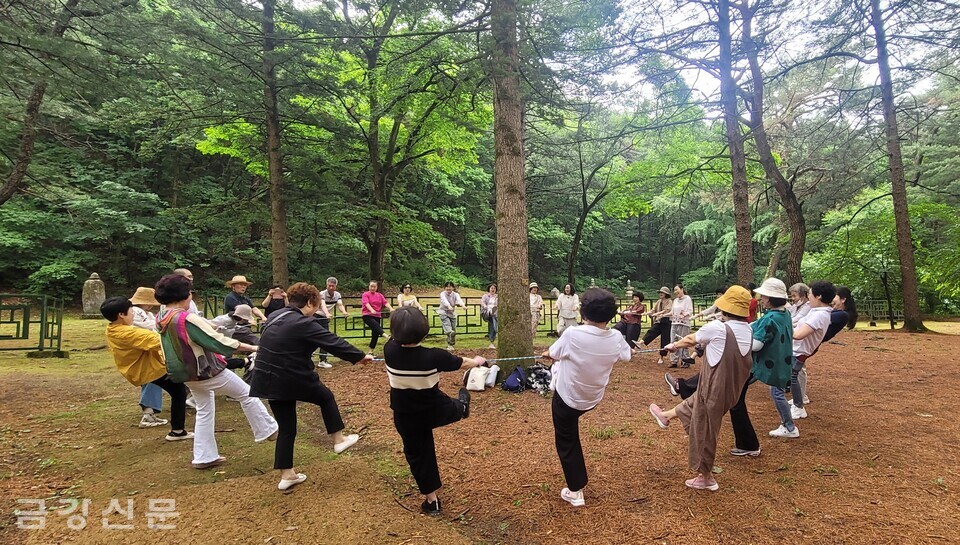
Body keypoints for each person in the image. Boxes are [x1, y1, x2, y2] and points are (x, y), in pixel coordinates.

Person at [249, 282, 374, 491]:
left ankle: (287, 475)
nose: (317, 309)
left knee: (287, 427)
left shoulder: (275, 316)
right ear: (309, 302)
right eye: (316, 305)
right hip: (289, 376)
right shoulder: (303, 323)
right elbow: (332, 341)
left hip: (266, 378)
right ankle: (339, 439)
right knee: (325, 397)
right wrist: (360, 356)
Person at [154, 274, 278, 470]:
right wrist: (254, 348)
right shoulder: (186, 318)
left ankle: (204, 456)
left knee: (204, 409)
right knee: (246, 393)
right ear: (185, 295)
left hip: (184, 373)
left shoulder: (162, 317)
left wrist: (217, 325)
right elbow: (217, 342)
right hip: (205, 370)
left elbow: (201, 330)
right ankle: (268, 430)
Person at [648, 286, 754, 491]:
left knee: (704, 427)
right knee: (694, 403)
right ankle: (666, 416)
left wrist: (673, 345)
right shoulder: (748, 330)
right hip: (732, 389)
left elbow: (690, 340)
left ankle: (706, 477)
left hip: (715, 387)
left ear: (724, 307)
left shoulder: (718, 327)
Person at [384, 306, 486, 515]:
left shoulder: (389, 350)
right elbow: (462, 363)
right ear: (424, 330)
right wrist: (477, 362)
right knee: (453, 407)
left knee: (418, 455)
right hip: (434, 409)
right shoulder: (435, 356)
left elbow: (395, 341)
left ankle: (432, 500)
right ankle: (462, 408)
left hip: (405, 414)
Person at [541, 288, 632, 507]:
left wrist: (549, 355)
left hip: (568, 399)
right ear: (611, 315)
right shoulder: (617, 337)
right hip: (591, 398)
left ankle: (575, 491)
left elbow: (553, 353)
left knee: (567, 439)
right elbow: (627, 356)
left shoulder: (573, 334)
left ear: (583, 313)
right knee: (570, 432)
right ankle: (576, 486)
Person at [100, 296, 191, 441]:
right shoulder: (128, 333)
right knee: (179, 392)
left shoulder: (112, 328)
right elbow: (158, 340)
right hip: (149, 369)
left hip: (147, 368)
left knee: (179, 390)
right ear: (121, 315)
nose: (133, 314)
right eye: (131, 312)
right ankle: (177, 431)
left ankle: (177, 430)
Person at [773, 280, 836, 429]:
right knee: (793, 377)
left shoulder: (819, 315)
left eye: (810, 294)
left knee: (792, 378)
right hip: (797, 350)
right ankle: (798, 405)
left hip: (799, 351)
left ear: (819, 296)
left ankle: (798, 408)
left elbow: (799, 334)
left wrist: (779, 329)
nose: (808, 297)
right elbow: (797, 324)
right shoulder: (817, 312)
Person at [129, 287, 165, 428]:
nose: (151, 305)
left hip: (148, 347)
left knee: (153, 376)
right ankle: (148, 413)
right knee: (152, 376)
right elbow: (151, 326)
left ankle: (150, 411)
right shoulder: (136, 312)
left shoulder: (145, 312)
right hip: (144, 347)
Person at [639, 287, 673, 364]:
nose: (660, 294)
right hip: (658, 321)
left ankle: (661, 357)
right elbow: (653, 309)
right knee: (651, 331)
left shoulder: (669, 301)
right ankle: (640, 342)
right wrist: (647, 313)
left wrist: (657, 314)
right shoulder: (658, 301)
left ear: (666, 294)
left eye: (662, 293)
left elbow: (666, 310)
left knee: (665, 340)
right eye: (660, 292)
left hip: (666, 321)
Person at [361, 280, 393, 353]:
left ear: (377, 287)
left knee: (375, 333)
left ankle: (370, 351)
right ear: (369, 286)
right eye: (371, 286)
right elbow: (366, 303)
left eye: (374, 286)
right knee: (375, 325)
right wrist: (371, 310)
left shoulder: (379, 295)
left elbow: (385, 302)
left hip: (377, 316)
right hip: (367, 315)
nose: (372, 288)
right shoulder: (365, 294)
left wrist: (390, 308)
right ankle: (386, 336)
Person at [668, 284, 694, 368]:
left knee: (683, 341)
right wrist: (662, 315)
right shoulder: (675, 300)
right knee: (673, 341)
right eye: (674, 290)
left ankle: (685, 360)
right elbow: (672, 312)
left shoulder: (687, 299)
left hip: (684, 323)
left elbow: (690, 311)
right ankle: (674, 361)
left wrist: (684, 315)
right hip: (674, 323)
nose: (675, 292)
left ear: (682, 289)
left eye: (677, 290)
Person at [437, 282, 465, 350]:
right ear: (445, 288)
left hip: (452, 313)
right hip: (443, 312)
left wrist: (463, 306)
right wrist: (449, 306)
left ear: (453, 288)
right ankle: (450, 337)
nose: (448, 288)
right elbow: (444, 301)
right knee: (447, 326)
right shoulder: (442, 293)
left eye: (450, 287)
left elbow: (459, 300)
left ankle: (450, 345)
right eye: (447, 287)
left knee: (453, 330)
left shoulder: (455, 294)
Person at [480, 283, 498, 349]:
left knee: (493, 327)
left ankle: (491, 340)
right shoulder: (485, 296)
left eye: (494, 288)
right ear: (489, 289)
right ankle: (490, 312)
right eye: (491, 288)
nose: (493, 289)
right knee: (493, 324)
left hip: (495, 312)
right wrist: (485, 306)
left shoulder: (497, 296)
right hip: (486, 311)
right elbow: (482, 302)